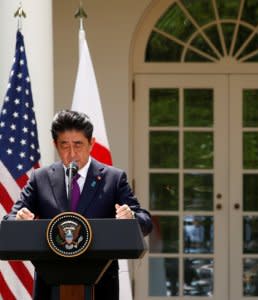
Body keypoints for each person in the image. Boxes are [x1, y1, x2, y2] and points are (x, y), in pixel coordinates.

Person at [4, 110, 153, 300]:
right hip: (50, 283)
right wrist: (19, 219)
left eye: (78, 145)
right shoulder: (40, 178)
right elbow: (9, 219)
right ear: (55, 145)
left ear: (92, 143)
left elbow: (145, 221)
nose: (72, 153)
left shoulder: (113, 179)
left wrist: (130, 218)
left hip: (100, 284)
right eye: (64, 145)